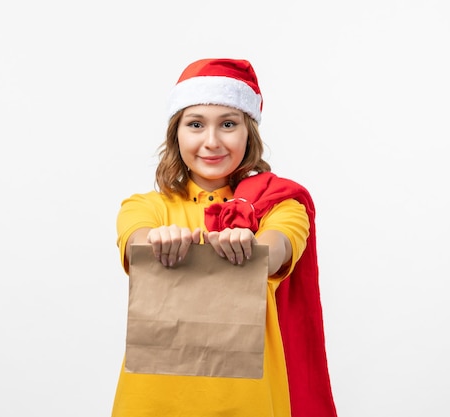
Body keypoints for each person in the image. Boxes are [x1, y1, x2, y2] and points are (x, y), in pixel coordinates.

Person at [112, 58, 337, 417]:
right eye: (196, 124)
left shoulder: (280, 205)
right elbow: (136, 241)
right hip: (151, 403)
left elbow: (277, 248)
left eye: (228, 124)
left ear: (249, 133)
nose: (211, 141)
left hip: (247, 404)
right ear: (177, 134)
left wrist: (252, 246)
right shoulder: (145, 207)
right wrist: (158, 239)